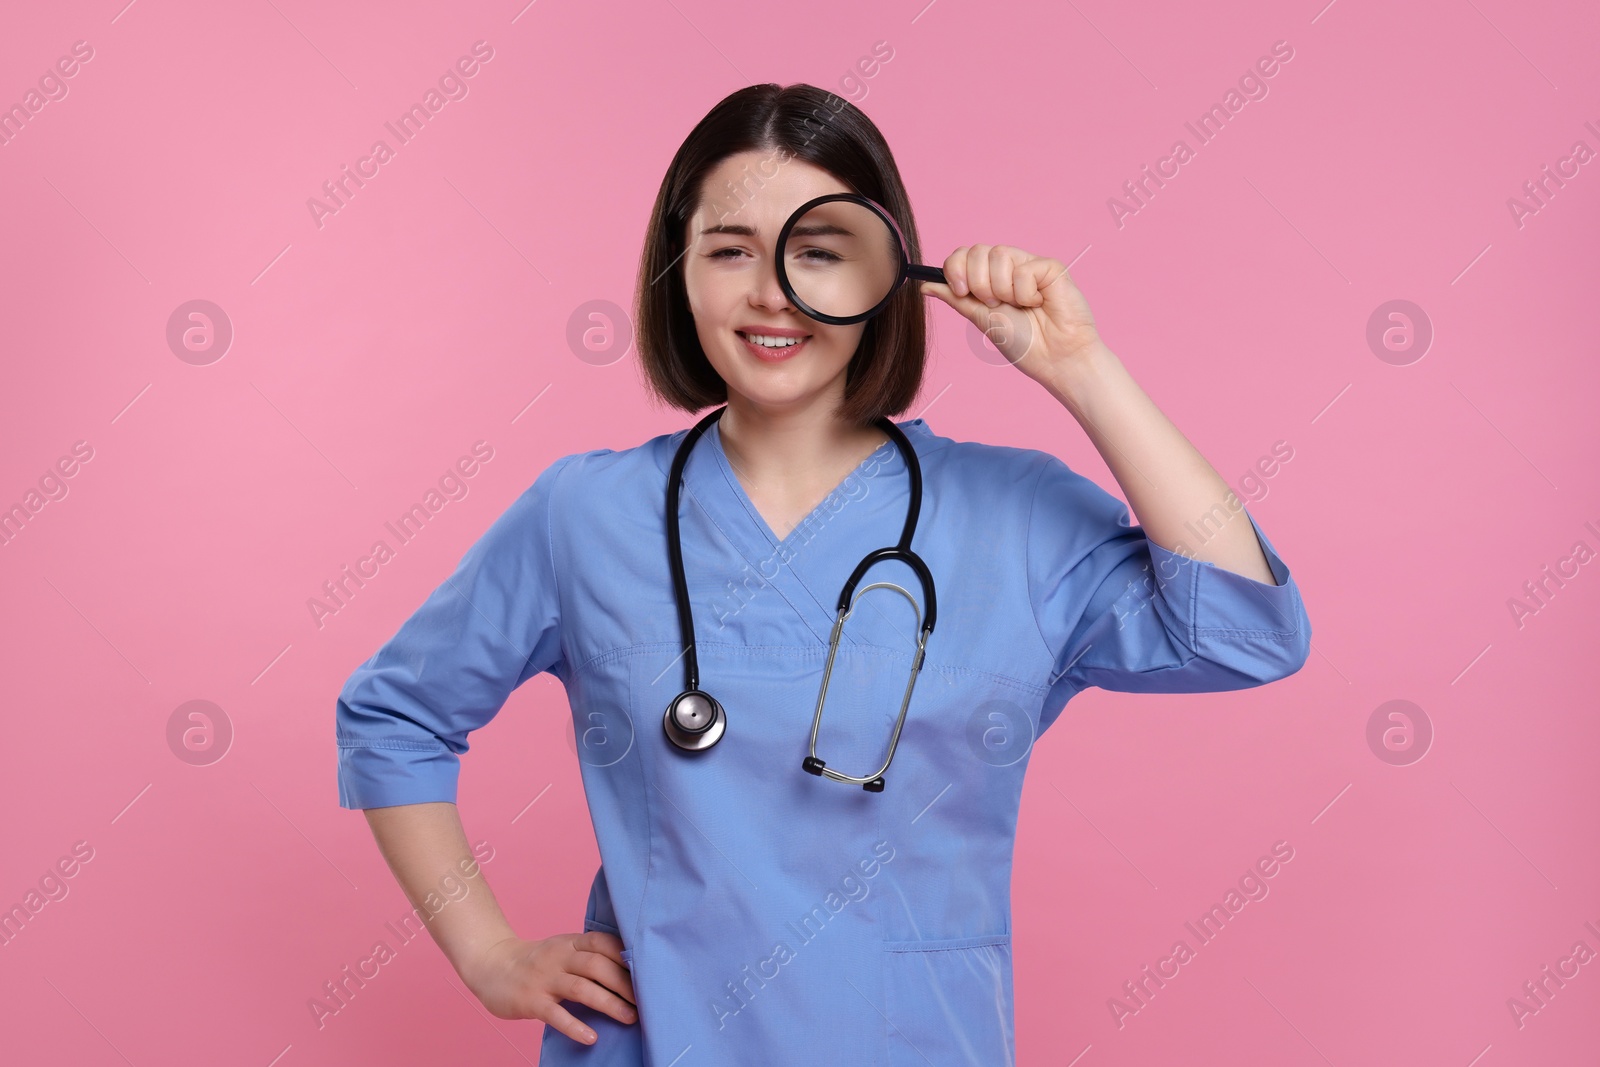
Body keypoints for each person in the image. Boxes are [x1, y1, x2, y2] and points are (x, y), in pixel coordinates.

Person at [334, 82, 1312, 1065]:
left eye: (816, 252)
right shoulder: (583, 515)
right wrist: (488, 952)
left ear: (883, 273)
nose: (769, 293)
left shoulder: (1010, 514)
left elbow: (1243, 629)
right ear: (678, 272)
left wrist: (1079, 365)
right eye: (729, 250)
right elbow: (394, 713)